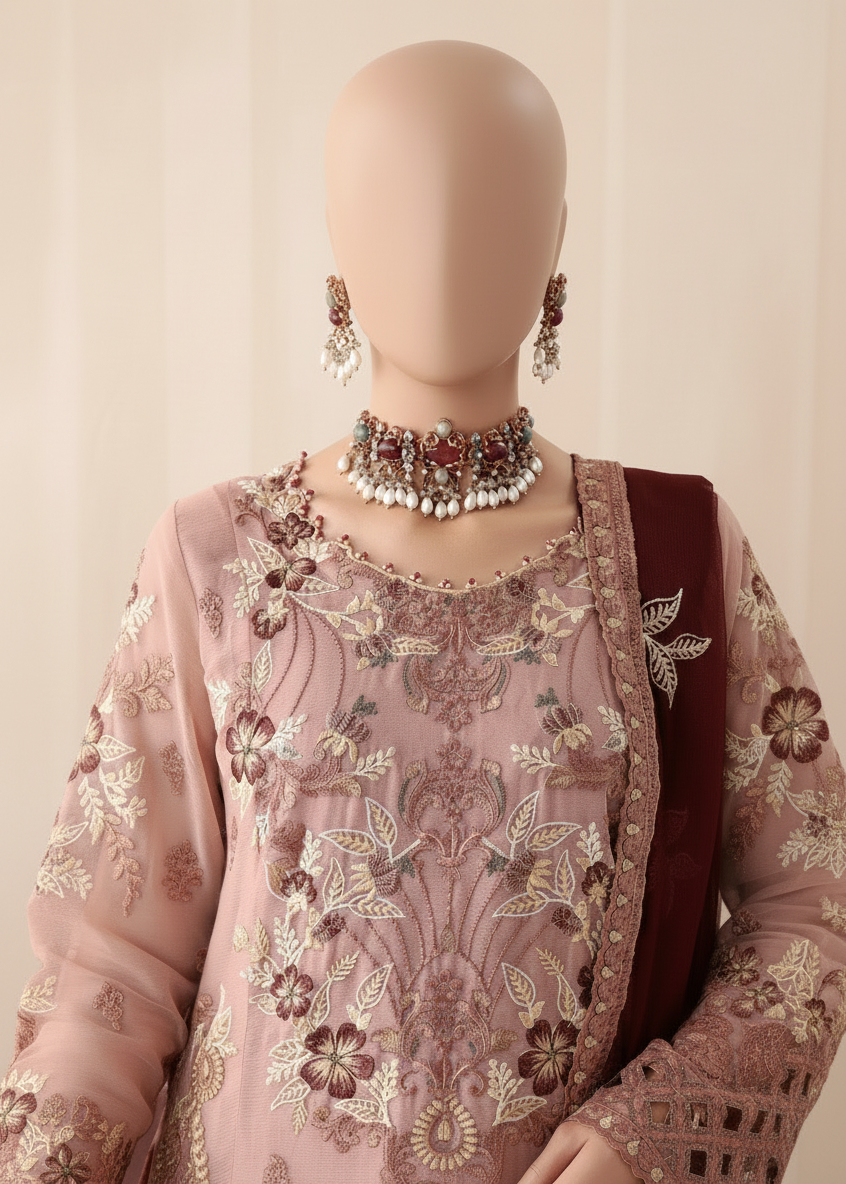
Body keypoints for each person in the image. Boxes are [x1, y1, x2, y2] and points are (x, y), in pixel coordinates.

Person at [2, 40, 844, 1184]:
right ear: (335, 249)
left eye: (497, 203)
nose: (446, 242)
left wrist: (663, 1127)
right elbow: (111, 965)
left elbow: (816, 895)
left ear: (557, 246)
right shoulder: (219, 555)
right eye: (396, 203)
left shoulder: (675, 555)